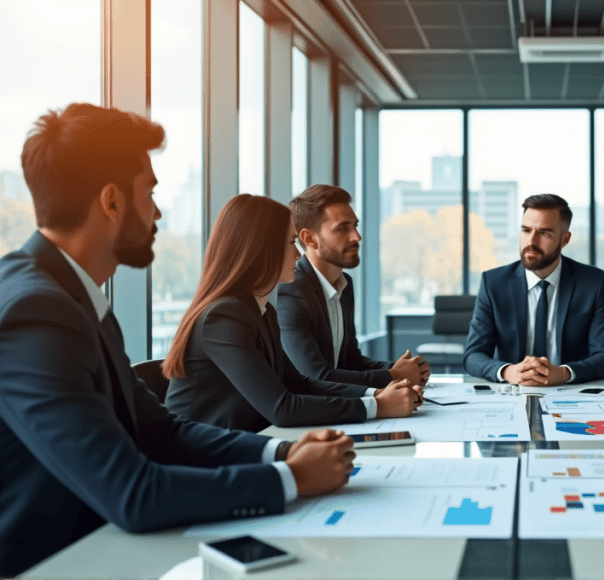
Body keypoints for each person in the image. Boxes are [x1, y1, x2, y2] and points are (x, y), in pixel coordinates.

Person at [0, 103, 355, 576]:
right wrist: (289, 479)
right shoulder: (36, 313)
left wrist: (284, 451)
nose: (158, 211)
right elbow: (133, 493)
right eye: (149, 192)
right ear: (111, 201)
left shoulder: (72, 298)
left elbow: (161, 431)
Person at [163, 194, 422, 432]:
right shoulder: (223, 317)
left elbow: (300, 384)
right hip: (202, 461)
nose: (298, 254)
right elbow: (281, 408)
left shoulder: (260, 311)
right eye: (290, 243)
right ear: (260, 249)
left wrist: (374, 396)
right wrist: (379, 407)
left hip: (240, 447)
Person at [278, 184, 429, 390]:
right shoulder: (292, 292)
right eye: (342, 228)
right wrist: (392, 375)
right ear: (309, 238)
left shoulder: (345, 286)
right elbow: (315, 375)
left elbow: (350, 360)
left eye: (355, 226)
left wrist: (403, 369)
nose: (356, 237)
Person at [463, 194, 604, 385]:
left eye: (544, 233)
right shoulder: (494, 283)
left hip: (569, 394)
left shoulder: (593, 283)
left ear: (565, 239)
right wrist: (508, 372)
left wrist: (563, 374)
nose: (531, 241)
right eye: (526, 230)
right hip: (512, 393)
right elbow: (473, 355)